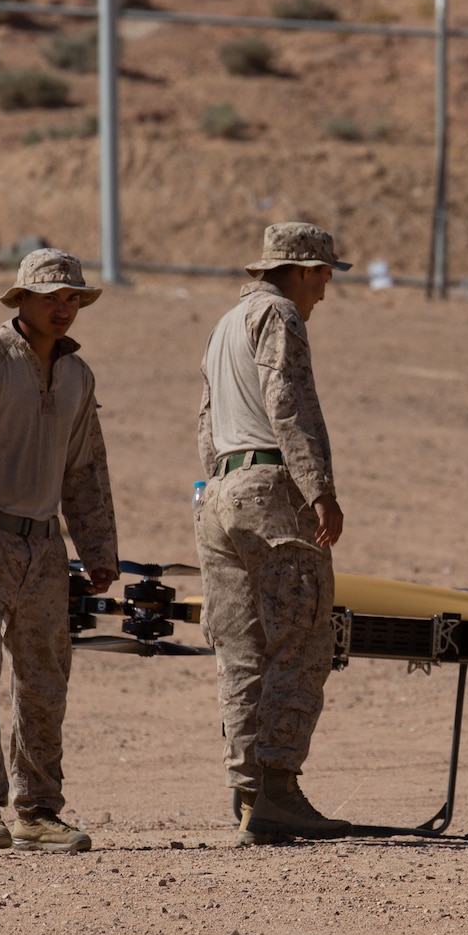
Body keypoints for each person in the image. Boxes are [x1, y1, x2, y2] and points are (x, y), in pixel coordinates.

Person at [0, 248, 118, 853]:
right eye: (50, 297)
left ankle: (37, 810)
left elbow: (85, 468)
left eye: (72, 298)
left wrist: (98, 549)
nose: (63, 308)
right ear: (22, 301)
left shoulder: (78, 377)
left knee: (44, 681)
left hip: (44, 550)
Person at [196, 223, 351, 845]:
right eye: (326, 275)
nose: (326, 291)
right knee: (303, 636)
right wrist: (318, 488)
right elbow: (288, 401)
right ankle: (279, 791)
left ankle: (248, 793)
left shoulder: (225, 323)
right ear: (308, 270)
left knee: (241, 648)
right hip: (268, 488)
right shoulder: (280, 314)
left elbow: (206, 419)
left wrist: (214, 488)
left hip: (221, 493)